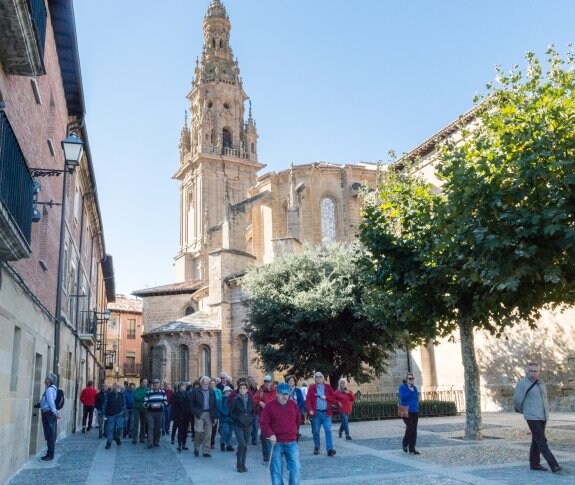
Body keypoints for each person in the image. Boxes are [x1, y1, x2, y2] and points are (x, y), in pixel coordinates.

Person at [513, 362, 562, 473]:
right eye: (531, 371)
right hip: (532, 416)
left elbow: (544, 399)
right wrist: (525, 411)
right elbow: (517, 400)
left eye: (536, 371)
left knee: (536, 440)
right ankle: (554, 465)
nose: (533, 373)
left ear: (539, 372)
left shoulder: (541, 383)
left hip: (542, 416)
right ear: (527, 372)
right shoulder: (522, 384)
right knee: (541, 440)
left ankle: (534, 464)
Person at [260, 382, 301, 485]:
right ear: (277, 393)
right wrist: (270, 434)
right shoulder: (269, 406)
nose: (284, 396)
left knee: (295, 469)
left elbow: (298, 420)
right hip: (276, 442)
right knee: (276, 470)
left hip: (291, 442)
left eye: (286, 394)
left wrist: (294, 432)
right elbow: (264, 422)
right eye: (282, 394)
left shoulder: (293, 405)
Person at [306, 371, 337, 456]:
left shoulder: (328, 387)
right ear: (314, 379)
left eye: (320, 376)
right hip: (316, 414)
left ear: (323, 378)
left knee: (328, 430)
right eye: (316, 377)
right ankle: (317, 447)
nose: (318, 378)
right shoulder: (312, 388)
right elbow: (308, 400)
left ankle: (329, 449)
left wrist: (326, 397)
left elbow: (333, 398)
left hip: (326, 413)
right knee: (315, 431)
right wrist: (310, 410)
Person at [230, 381, 255, 472]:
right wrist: (238, 418)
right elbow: (231, 412)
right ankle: (238, 464)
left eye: (244, 388)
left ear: (247, 390)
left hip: (248, 425)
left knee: (245, 446)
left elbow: (253, 411)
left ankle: (243, 464)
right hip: (238, 425)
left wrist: (251, 418)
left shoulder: (250, 399)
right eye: (240, 388)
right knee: (242, 444)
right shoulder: (235, 399)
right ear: (238, 390)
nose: (242, 390)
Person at [190, 375, 218, 457]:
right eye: (204, 383)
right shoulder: (195, 391)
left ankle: (206, 451)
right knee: (198, 431)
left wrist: (215, 416)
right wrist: (194, 412)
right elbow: (191, 403)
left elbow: (215, 404)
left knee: (208, 433)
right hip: (199, 413)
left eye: (207, 383)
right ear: (201, 383)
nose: (205, 385)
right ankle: (197, 447)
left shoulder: (212, 392)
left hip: (209, 413)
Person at [253, 374, 277, 462]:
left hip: (275, 417)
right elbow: (254, 399)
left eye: (268, 381)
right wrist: (259, 402)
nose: (267, 383)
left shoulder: (276, 391)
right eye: (265, 382)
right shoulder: (261, 391)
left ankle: (275, 453)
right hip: (264, 417)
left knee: (275, 435)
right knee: (264, 436)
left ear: (271, 382)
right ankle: (266, 455)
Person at [39, 373, 61, 461]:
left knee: (50, 434)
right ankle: (49, 453)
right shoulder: (52, 389)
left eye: (46, 378)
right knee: (50, 434)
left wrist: (55, 412)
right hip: (50, 413)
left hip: (48, 413)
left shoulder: (49, 390)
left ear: (49, 380)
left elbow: (51, 402)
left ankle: (50, 455)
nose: (45, 380)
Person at [398, 372, 420, 454]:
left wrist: (417, 407)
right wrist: (409, 391)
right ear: (406, 380)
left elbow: (416, 398)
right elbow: (403, 397)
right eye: (410, 378)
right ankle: (405, 443)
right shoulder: (402, 387)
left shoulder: (415, 388)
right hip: (405, 409)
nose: (412, 380)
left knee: (414, 430)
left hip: (414, 410)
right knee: (410, 427)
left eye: (412, 378)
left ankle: (412, 448)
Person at [144, 378, 168, 448]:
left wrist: (161, 405)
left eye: (157, 384)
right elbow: (145, 403)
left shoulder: (163, 392)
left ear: (159, 385)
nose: (156, 385)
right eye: (154, 384)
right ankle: (150, 442)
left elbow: (166, 402)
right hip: (150, 412)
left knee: (158, 428)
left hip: (159, 412)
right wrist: (150, 405)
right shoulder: (149, 392)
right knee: (151, 427)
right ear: (153, 385)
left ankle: (156, 442)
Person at [103, 382, 125, 449]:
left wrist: (123, 411)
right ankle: (109, 443)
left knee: (120, 427)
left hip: (119, 414)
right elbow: (105, 405)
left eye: (118, 386)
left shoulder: (121, 395)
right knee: (110, 429)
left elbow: (124, 404)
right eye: (115, 386)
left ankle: (117, 437)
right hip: (111, 414)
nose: (117, 388)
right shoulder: (109, 395)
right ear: (113, 387)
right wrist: (104, 414)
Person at [171, 383, 191, 452]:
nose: (184, 388)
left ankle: (184, 444)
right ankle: (179, 444)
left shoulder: (188, 394)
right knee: (180, 430)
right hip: (179, 415)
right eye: (182, 386)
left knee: (185, 431)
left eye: (184, 386)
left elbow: (189, 404)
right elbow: (173, 406)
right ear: (179, 388)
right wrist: (174, 416)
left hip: (186, 415)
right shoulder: (176, 395)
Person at [285, 375, 305, 440]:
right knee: (287, 429)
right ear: (287, 382)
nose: (291, 382)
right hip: (286, 412)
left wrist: (296, 409)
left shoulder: (298, 390)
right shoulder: (285, 390)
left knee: (296, 430)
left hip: (296, 413)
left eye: (292, 380)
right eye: (289, 381)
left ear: (294, 382)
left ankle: (295, 444)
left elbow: (301, 401)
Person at [218, 386, 234, 452]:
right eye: (227, 391)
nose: (228, 392)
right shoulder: (221, 399)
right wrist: (225, 413)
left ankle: (228, 445)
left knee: (230, 432)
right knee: (226, 431)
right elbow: (219, 408)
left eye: (229, 391)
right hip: (224, 418)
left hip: (231, 418)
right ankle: (222, 442)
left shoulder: (233, 399)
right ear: (224, 392)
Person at [132, 378, 148, 444]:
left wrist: (142, 397)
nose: (146, 383)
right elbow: (136, 397)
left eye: (146, 382)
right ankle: (134, 439)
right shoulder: (137, 390)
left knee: (143, 424)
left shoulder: (148, 390)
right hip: (137, 409)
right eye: (145, 382)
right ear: (141, 382)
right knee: (136, 424)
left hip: (145, 409)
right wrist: (144, 397)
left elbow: (148, 398)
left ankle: (142, 438)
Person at [209, 378, 222, 449]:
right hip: (208, 411)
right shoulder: (207, 391)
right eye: (210, 384)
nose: (212, 385)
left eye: (213, 384)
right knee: (208, 427)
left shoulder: (218, 391)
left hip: (216, 411)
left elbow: (220, 400)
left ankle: (212, 442)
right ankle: (208, 441)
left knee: (214, 427)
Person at [247, 375, 259, 445]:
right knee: (248, 425)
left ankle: (254, 439)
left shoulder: (256, 390)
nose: (250, 382)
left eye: (251, 381)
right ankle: (248, 438)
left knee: (255, 425)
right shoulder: (246, 389)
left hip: (255, 410)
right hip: (248, 410)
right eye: (249, 381)